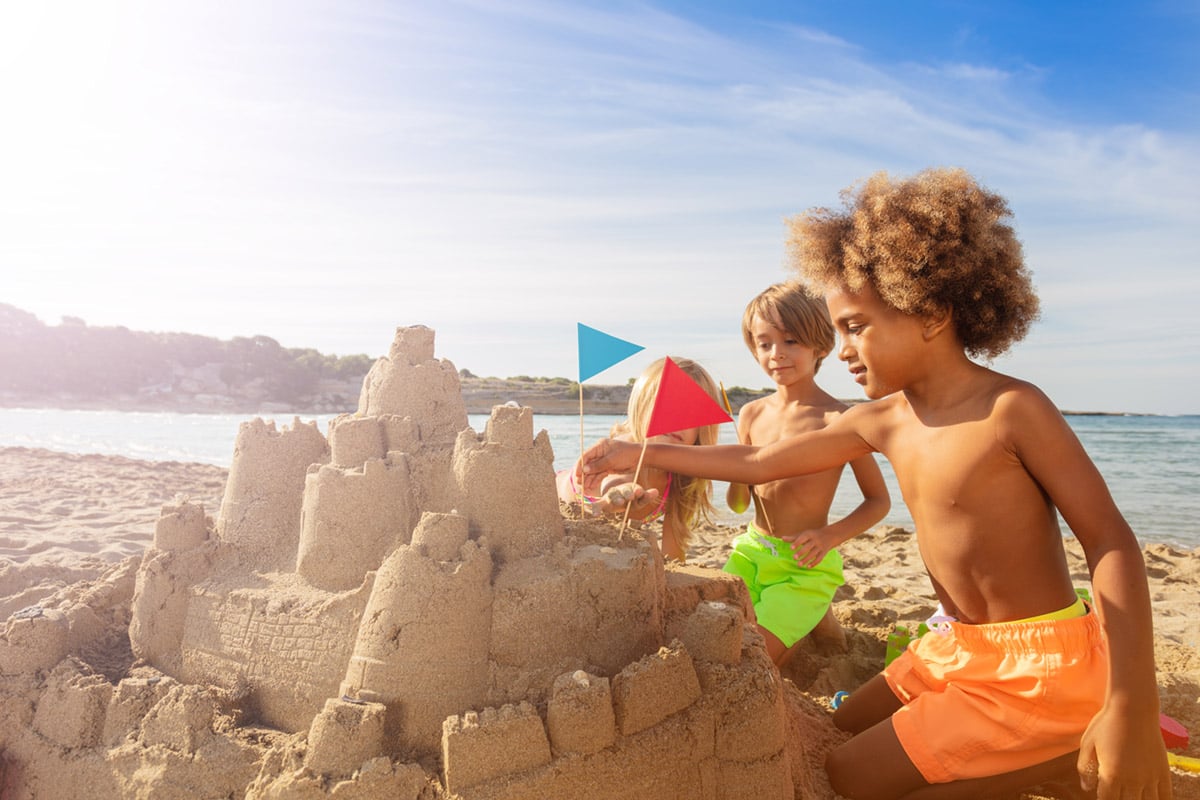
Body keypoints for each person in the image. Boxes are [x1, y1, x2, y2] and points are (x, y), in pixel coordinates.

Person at [581, 168, 1171, 800]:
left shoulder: (1011, 409)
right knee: (842, 722)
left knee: (851, 776)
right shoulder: (883, 420)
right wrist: (633, 449)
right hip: (959, 646)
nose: (842, 350)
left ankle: (1058, 756)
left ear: (934, 313)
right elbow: (757, 465)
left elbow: (1110, 541)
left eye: (856, 327)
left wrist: (1132, 709)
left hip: (1036, 664)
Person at [725, 282, 890, 662]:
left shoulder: (840, 419)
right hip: (751, 552)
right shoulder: (751, 414)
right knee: (716, 632)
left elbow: (878, 501)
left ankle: (813, 612)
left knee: (753, 656)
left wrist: (829, 536)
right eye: (764, 344)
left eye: (791, 342)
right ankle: (818, 621)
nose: (776, 354)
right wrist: (738, 474)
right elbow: (736, 504)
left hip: (805, 562)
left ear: (820, 346)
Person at [556, 356, 721, 562]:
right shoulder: (622, 454)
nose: (679, 421)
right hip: (552, 495)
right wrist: (616, 497)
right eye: (669, 405)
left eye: (692, 412)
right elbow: (612, 485)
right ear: (642, 407)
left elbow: (674, 554)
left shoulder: (682, 477)